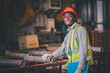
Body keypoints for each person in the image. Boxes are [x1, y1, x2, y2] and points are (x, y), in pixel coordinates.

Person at [42, 7, 94, 73]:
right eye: (65, 17)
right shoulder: (69, 33)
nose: (67, 18)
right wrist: (51, 55)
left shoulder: (79, 30)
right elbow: (62, 49)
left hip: (83, 66)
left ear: (75, 18)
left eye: (70, 16)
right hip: (73, 65)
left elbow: (83, 50)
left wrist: (80, 68)